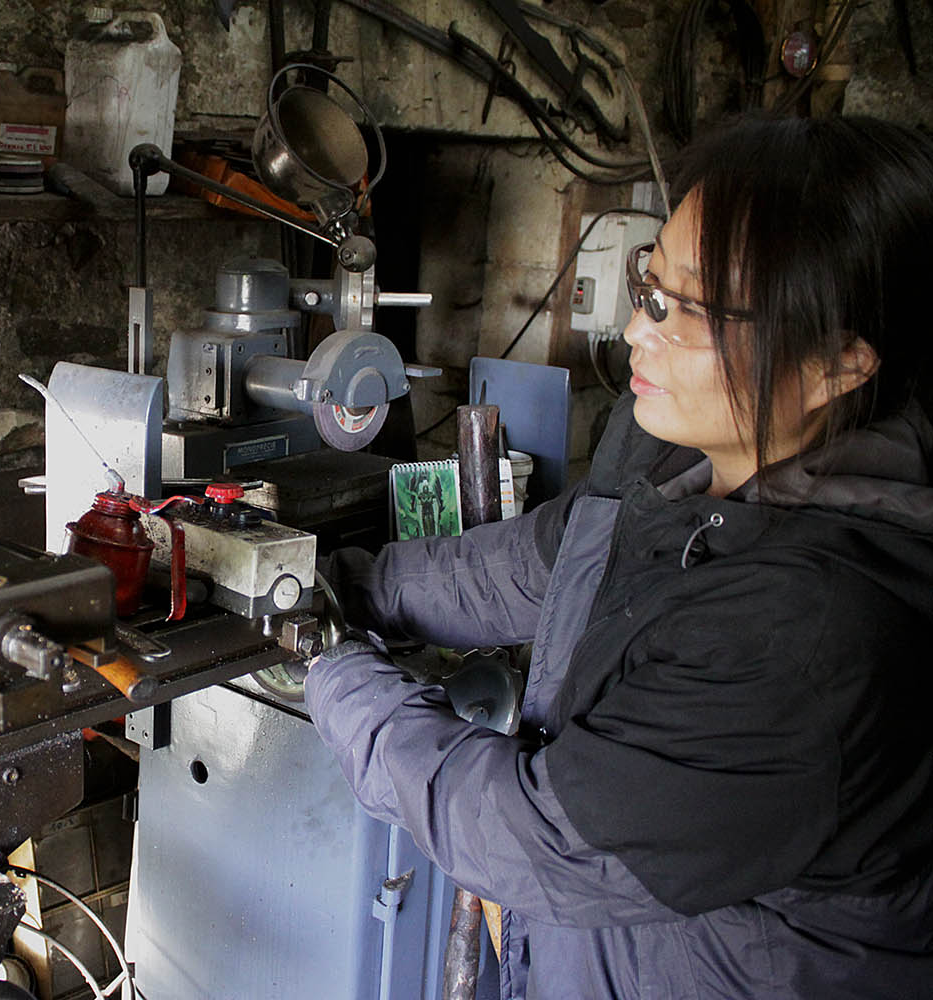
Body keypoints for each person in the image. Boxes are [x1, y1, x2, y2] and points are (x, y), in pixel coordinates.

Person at [305, 113, 933, 1000]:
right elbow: (542, 562)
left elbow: (541, 840)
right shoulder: (681, 452)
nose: (638, 331)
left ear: (837, 363)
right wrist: (349, 587)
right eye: (650, 284)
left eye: (688, 311)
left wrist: (336, 677)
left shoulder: (807, 640)